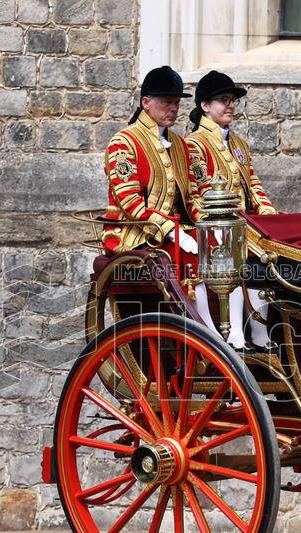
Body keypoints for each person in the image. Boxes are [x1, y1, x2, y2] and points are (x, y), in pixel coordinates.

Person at [102, 65, 222, 333]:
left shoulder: (179, 144)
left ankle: (229, 328)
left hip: (178, 230)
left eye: (177, 102)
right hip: (133, 234)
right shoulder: (124, 142)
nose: (174, 108)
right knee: (189, 258)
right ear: (146, 103)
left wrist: (208, 224)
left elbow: (190, 197)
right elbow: (130, 203)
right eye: (167, 102)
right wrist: (170, 231)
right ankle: (207, 333)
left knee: (222, 250)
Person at [186, 70, 275, 350]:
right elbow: (199, 193)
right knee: (237, 257)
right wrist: (219, 228)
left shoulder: (238, 145)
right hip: (217, 227)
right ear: (204, 106)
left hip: (247, 225)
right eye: (223, 100)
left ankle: (260, 334)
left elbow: (254, 185)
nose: (230, 106)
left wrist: (269, 216)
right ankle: (235, 332)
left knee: (268, 261)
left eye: (232, 100)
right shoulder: (194, 145)